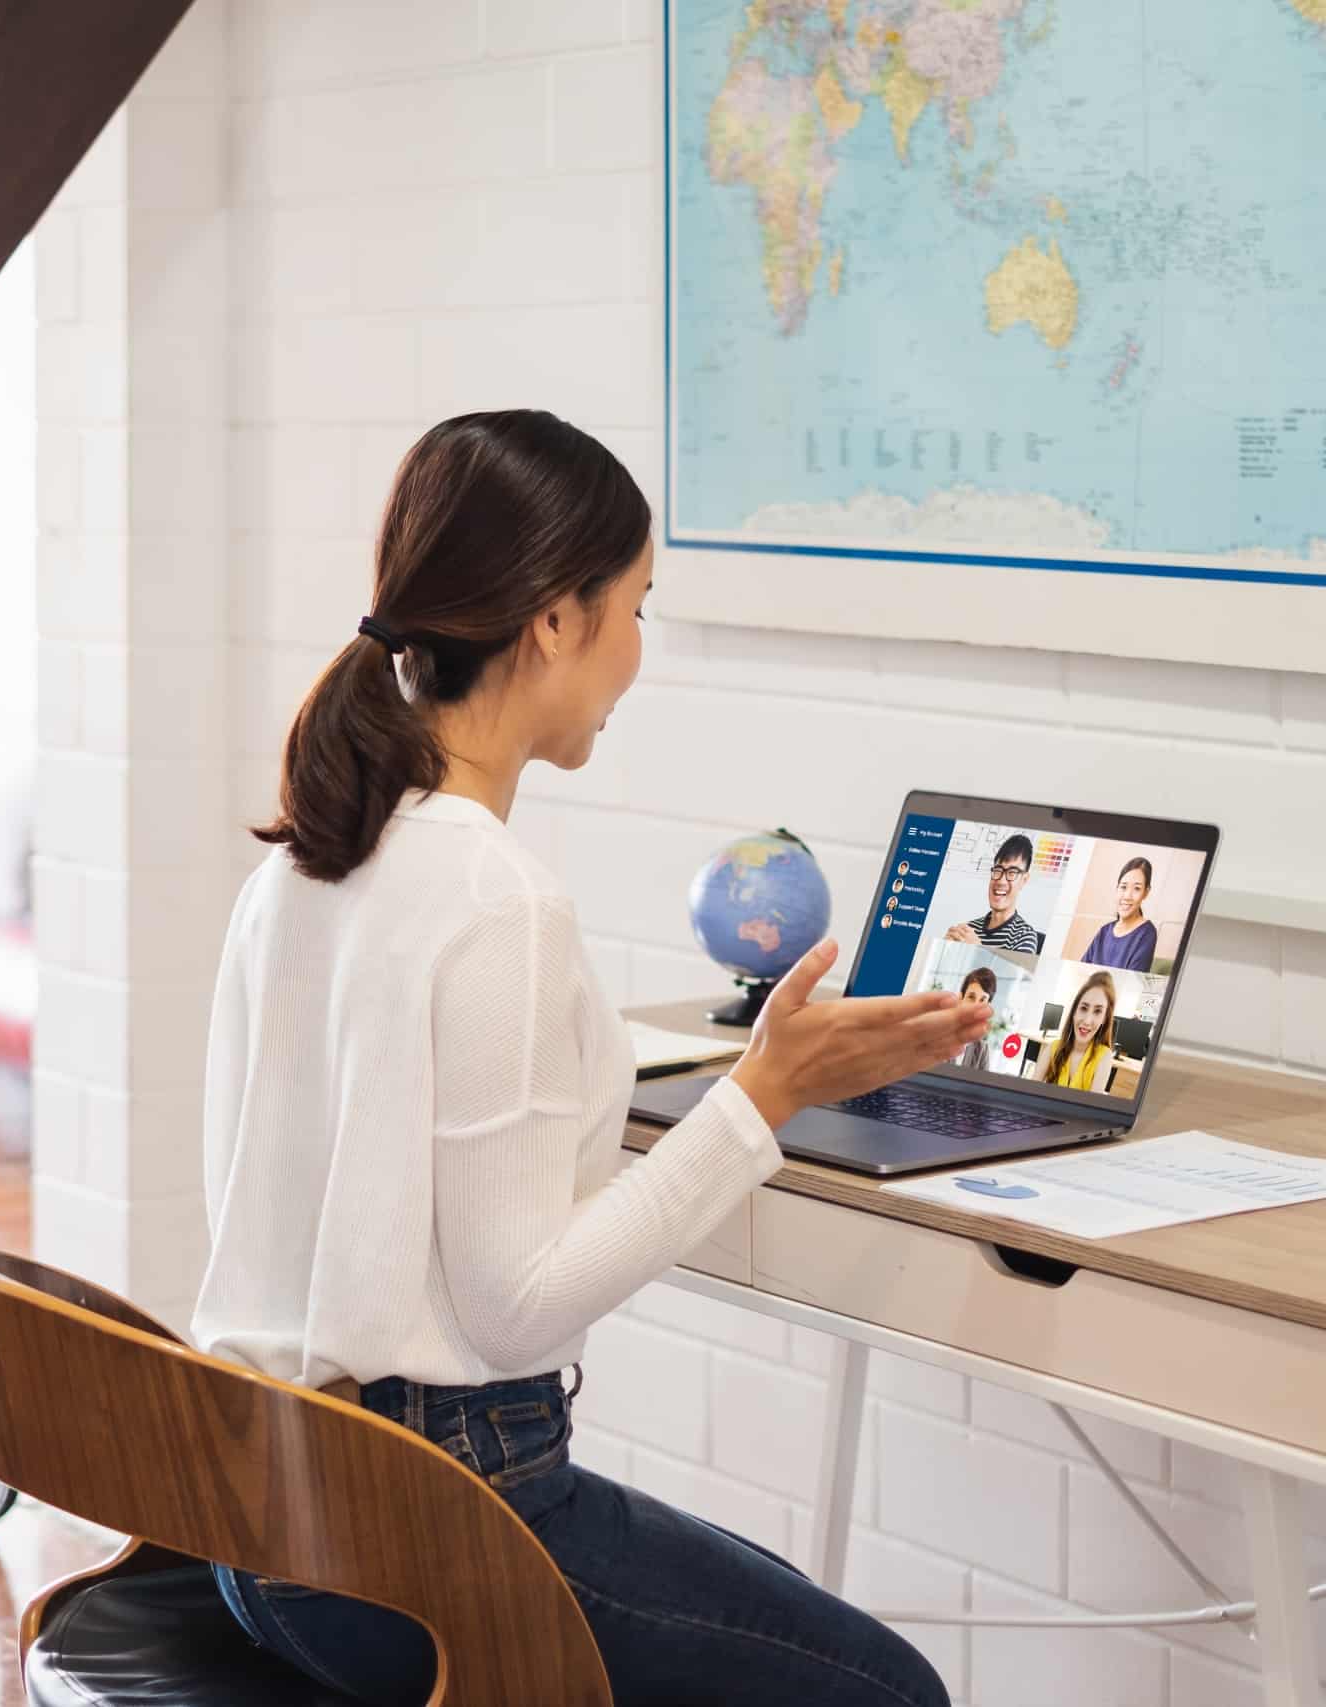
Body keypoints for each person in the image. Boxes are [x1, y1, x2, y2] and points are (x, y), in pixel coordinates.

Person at [195, 410, 969, 1707]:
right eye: (637, 606)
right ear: (555, 619)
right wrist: (762, 1094)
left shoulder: (304, 861)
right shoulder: (492, 894)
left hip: (262, 1519)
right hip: (425, 1532)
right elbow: (518, 1306)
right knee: (888, 1688)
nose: (636, 654)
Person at [943, 833, 1045, 956]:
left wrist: (977, 949)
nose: (1001, 881)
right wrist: (943, 949)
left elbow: (1006, 974)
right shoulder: (968, 929)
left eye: (1012, 873)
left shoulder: (1025, 937)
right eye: (998, 870)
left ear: (1024, 880)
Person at [1040, 969, 1119, 1091]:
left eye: (1098, 1011)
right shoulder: (1053, 1048)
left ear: (1105, 1018)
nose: (1087, 1021)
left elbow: (1090, 1108)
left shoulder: (1104, 1057)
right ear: (1074, 1011)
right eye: (1083, 1008)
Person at [1080, 856, 1159, 971]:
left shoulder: (1146, 933)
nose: (1127, 896)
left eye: (1137, 889)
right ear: (1117, 888)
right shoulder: (1105, 931)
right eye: (1123, 887)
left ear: (1146, 893)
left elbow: (1132, 983)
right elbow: (1081, 970)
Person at [953, 965, 999, 1071]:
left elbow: (983, 1087)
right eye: (971, 997)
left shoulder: (982, 1050)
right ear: (960, 998)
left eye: (982, 1000)